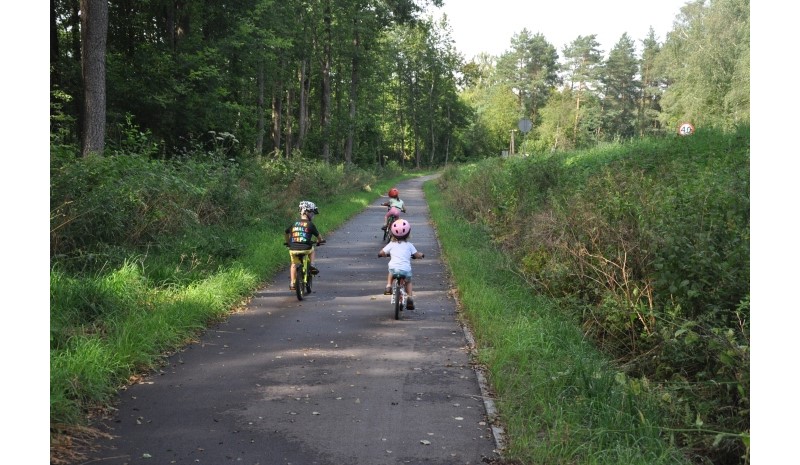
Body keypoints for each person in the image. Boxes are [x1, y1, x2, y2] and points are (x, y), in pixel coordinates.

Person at [378, 218, 424, 310]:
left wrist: (382, 255)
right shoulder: (409, 245)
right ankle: (410, 297)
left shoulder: (391, 244)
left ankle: (388, 286)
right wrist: (421, 255)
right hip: (405, 270)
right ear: (408, 233)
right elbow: (417, 255)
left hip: (394, 268)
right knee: (408, 281)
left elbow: (381, 252)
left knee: (391, 271)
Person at [284, 200, 325, 290]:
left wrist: (288, 242)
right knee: (312, 249)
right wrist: (320, 241)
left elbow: (286, 232)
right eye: (312, 213)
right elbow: (319, 237)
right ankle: (312, 265)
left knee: (294, 264)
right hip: (306, 248)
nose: (313, 215)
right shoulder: (310, 224)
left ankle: (292, 283)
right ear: (307, 212)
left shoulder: (294, 223)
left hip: (293, 248)